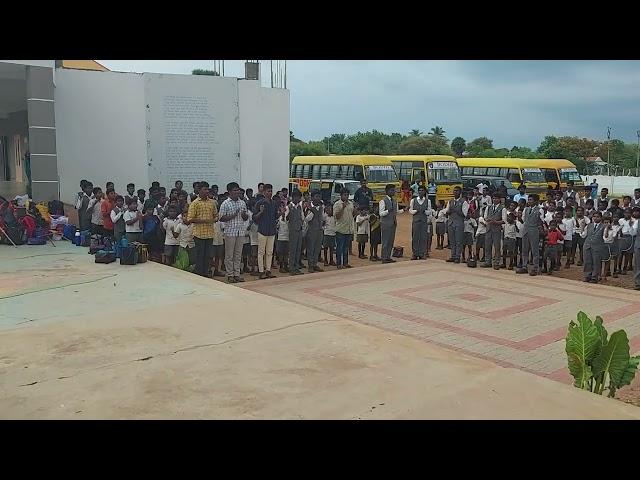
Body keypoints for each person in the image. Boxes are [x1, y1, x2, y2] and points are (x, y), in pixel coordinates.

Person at [186, 182, 218, 277]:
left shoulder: (212, 202)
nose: (206, 191)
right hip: (199, 234)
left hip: (209, 233)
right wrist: (204, 220)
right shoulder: (194, 203)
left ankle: (205, 274)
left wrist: (215, 219)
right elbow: (190, 219)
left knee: (208, 256)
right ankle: (199, 275)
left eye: (207, 189)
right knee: (200, 256)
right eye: (204, 189)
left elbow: (216, 215)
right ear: (199, 190)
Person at [219, 182, 249, 283]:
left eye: (238, 190)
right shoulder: (225, 203)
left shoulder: (242, 202)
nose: (237, 192)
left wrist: (244, 214)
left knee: (238, 254)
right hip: (230, 232)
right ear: (230, 191)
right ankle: (230, 275)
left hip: (240, 232)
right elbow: (221, 218)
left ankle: (237, 274)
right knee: (229, 255)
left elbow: (245, 218)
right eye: (235, 190)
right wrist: (233, 215)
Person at [253, 184, 279, 279]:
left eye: (271, 191)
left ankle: (268, 270)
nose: (270, 193)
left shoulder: (274, 203)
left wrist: (281, 213)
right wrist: (261, 212)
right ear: (263, 192)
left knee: (270, 252)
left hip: (271, 231)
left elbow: (276, 216)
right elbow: (254, 217)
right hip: (262, 230)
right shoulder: (259, 203)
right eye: (268, 191)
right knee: (261, 252)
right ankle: (261, 271)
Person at [517, 194, 541, 276]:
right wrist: (519, 218)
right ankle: (524, 266)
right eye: (529, 199)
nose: (529, 201)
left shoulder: (539, 210)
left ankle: (535, 268)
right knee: (524, 249)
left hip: (534, 230)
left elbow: (541, 221)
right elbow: (523, 220)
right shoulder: (526, 209)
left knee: (535, 250)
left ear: (536, 201)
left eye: (531, 200)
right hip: (526, 229)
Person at [481, 194, 506, 270]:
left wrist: (495, 221)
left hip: (497, 230)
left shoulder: (503, 208)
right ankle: (488, 261)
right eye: (493, 198)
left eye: (496, 198)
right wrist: (487, 220)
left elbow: (504, 221)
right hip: (489, 229)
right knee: (487, 246)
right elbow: (485, 217)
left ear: (499, 199)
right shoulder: (489, 207)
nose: (494, 200)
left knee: (497, 247)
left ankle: (496, 262)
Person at [445, 187, 468, 263]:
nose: (455, 192)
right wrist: (448, 211)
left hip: (459, 223)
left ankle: (457, 256)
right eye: (454, 191)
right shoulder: (450, 201)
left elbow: (464, 214)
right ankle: (453, 255)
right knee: (452, 241)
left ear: (460, 192)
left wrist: (455, 210)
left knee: (458, 241)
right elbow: (446, 212)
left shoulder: (464, 202)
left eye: (457, 191)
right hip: (451, 223)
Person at [334, 188, 355, 269]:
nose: (346, 197)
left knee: (346, 248)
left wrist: (356, 209)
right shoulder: (337, 204)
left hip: (349, 229)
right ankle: (339, 264)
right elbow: (337, 216)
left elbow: (352, 215)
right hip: (340, 229)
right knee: (339, 248)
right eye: (345, 195)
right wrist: (342, 207)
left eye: (347, 195)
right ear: (341, 195)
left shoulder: (350, 204)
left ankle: (345, 263)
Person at [581, 210, 605, 283]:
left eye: (598, 217)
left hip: (597, 246)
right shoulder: (589, 225)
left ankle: (594, 277)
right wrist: (582, 227)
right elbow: (583, 235)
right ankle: (587, 276)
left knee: (596, 262)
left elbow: (605, 238)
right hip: (587, 245)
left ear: (601, 218)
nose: (595, 218)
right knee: (587, 261)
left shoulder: (603, 226)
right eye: (594, 216)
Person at [409, 185, 431, 260]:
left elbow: (429, 211)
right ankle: (415, 253)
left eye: (422, 190)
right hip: (416, 221)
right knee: (415, 237)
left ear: (425, 192)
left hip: (424, 221)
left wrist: (425, 211)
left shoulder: (428, 201)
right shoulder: (413, 200)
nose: (421, 192)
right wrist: (416, 211)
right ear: (418, 191)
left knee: (423, 237)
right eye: (420, 190)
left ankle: (422, 253)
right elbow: (410, 211)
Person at [304, 190, 324, 273]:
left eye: (319, 196)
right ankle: (310, 265)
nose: (318, 198)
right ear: (312, 198)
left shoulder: (321, 207)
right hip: (311, 230)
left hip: (319, 230)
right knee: (310, 249)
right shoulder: (308, 207)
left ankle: (315, 264)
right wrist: (312, 211)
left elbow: (322, 218)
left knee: (317, 248)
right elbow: (306, 219)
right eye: (316, 196)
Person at [286, 189, 305, 276]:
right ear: (293, 197)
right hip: (292, 231)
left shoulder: (300, 207)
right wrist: (290, 210)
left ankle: (296, 267)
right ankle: (291, 268)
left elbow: (302, 218)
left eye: (299, 197)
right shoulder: (289, 207)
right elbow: (286, 219)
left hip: (299, 230)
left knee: (298, 250)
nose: (298, 199)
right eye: (296, 197)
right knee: (292, 250)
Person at [379, 184, 398, 264]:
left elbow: (395, 212)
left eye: (394, 190)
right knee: (385, 241)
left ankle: (388, 256)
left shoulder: (394, 201)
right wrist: (388, 211)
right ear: (387, 191)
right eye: (392, 190)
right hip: (385, 223)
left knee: (391, 241)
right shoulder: (383, 201)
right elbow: (381, 213)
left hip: (393, 223)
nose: (394, 192)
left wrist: (403, 210)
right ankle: (384, 257)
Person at [617, 208, 635, 275]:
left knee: (627, 254)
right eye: (626, 213)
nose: (627, 214)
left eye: (629, 213)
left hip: (629, 237)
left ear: (631, 214)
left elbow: (633, 231)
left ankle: (624, 268)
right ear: (624, 213)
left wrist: (631, 225)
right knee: (620, 254)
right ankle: (619, 268)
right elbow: (618, 228)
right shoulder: (621, 220)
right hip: (622, 237)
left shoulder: (633, 221)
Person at [602, 215, 619, 280]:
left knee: (609, 259)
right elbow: (605, 237)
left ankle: (612, 272)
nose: (606, 224)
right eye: (605, 222)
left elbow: (614, 236)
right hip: (604, 245)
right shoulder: (602, 229)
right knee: (604, 260)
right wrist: (606, 230)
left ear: (611, 223)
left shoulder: (613, 229)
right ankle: (603, 273)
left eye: (608, 222)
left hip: (611, 244)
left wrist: (609, 229)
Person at [276, 206, 290, 274]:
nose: (283, 212)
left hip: (287, 238)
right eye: (281, 211)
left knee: (286, 253)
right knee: (281, 253)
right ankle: (281, 267)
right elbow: (277, 227)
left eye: (284, 210)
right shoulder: (279, 219)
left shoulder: (288, 218)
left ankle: (286, 266)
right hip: (280, 238)